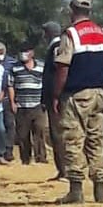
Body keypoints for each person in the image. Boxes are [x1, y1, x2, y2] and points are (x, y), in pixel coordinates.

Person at [53, 0, 103, 204]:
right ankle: (100, 189)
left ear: (72, 10)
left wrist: (57, 94)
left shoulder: (71, 34)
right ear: (89, 11)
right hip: (99, 94)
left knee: (74, 139)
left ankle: (76, 190)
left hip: (76, 95)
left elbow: (62, 67)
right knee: (96, 139)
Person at [10, 43, 49, 165]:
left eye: (26, 51)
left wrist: (45, 101)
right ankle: (25, 159)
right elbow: (10, 85)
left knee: (39, 132)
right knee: (23, 135)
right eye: (21, 51)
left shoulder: (42, 66)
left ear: (32, 53)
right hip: (22, 106)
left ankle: (41, 158)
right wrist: (12, 102)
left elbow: (47, 84)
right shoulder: (14, 68)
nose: (23, 54)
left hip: (38, 105)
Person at [42, 21, 67, 180]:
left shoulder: (57, 47)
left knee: (59, 134)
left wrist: (56, 95)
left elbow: (59, 71)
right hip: (55, 96)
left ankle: (65, 170)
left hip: (57, 97)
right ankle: (63, 170)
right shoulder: (55, 46)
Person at [0, 41, 18, 161]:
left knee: (10, 125)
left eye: (1, 52)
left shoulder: (12, 63)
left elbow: (13, 82)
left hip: (8, 98)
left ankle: (9, 150)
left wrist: (13, 100)